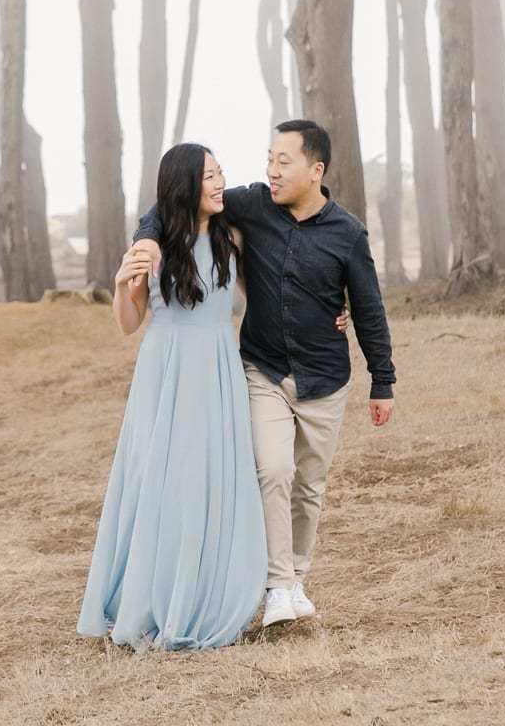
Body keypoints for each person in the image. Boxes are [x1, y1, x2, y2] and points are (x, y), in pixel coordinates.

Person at [134, 120, 396, 629]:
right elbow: (171, 201)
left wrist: (382, 381)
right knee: (273, 470)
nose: (271, 170)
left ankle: (294, 578)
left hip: (325, 378)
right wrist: (147, 239)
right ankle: (277, 587)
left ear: (315, 170)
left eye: (284, 161)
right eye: (269, 158)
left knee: (310, 486)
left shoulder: (348, 233)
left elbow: (368, 309)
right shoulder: (252, 204)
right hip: (263, 368)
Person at [77, 143, 266, 649]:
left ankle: (205, 592)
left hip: (218, 368)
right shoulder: (152, 246)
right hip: (165, 369)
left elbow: (262, 299)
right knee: (160, 482)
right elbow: (129, 323)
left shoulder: (233, 237)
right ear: (185, 184)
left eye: (220, 171)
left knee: (208, 478)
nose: (220, 181)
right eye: (209, 175)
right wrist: (122, 285)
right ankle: (152, 596)